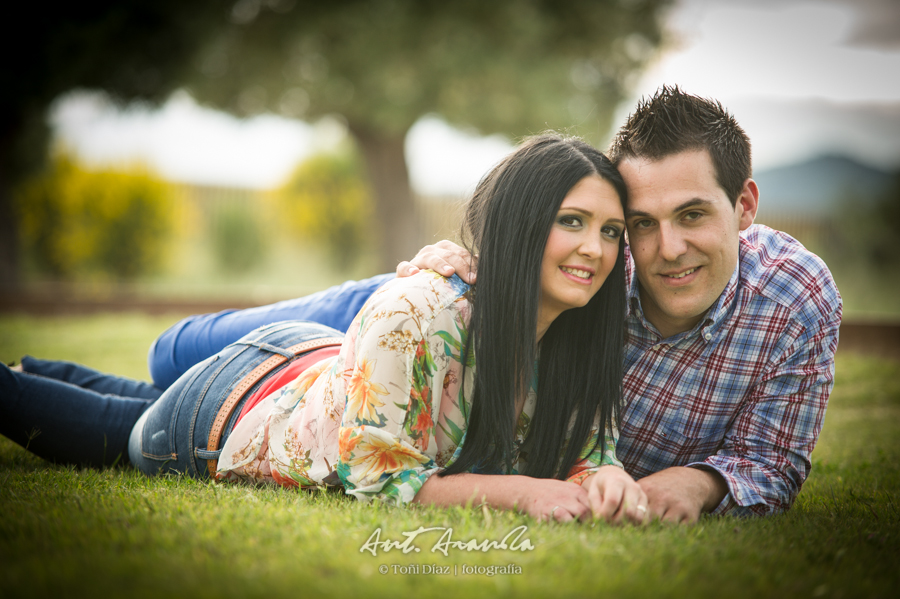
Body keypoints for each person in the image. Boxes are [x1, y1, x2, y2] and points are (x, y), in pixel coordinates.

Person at [143, 86, 842, 521]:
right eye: (639, 223)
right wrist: (476, 271)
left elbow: (767, 459)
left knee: (142, 402)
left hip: (385, 380)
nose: (662, 249)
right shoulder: (588, 268)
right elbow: (380, 471)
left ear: (745, 205)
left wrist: (667, 481)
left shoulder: (789, 298)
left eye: (692, 215)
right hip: (398, 328)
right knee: (167, 355)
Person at [2, 133, 649, 523]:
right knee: (126, 435)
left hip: (312, 373)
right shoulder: (416, 313)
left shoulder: (579, 338)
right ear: (519, 222)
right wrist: (526, 493)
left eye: (611, 230)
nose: (594, 247)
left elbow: (589, 457)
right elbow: (381, 479)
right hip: (232, 408)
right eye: (572, 221)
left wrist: (605, 478)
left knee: (133, 403)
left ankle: (37, 369)